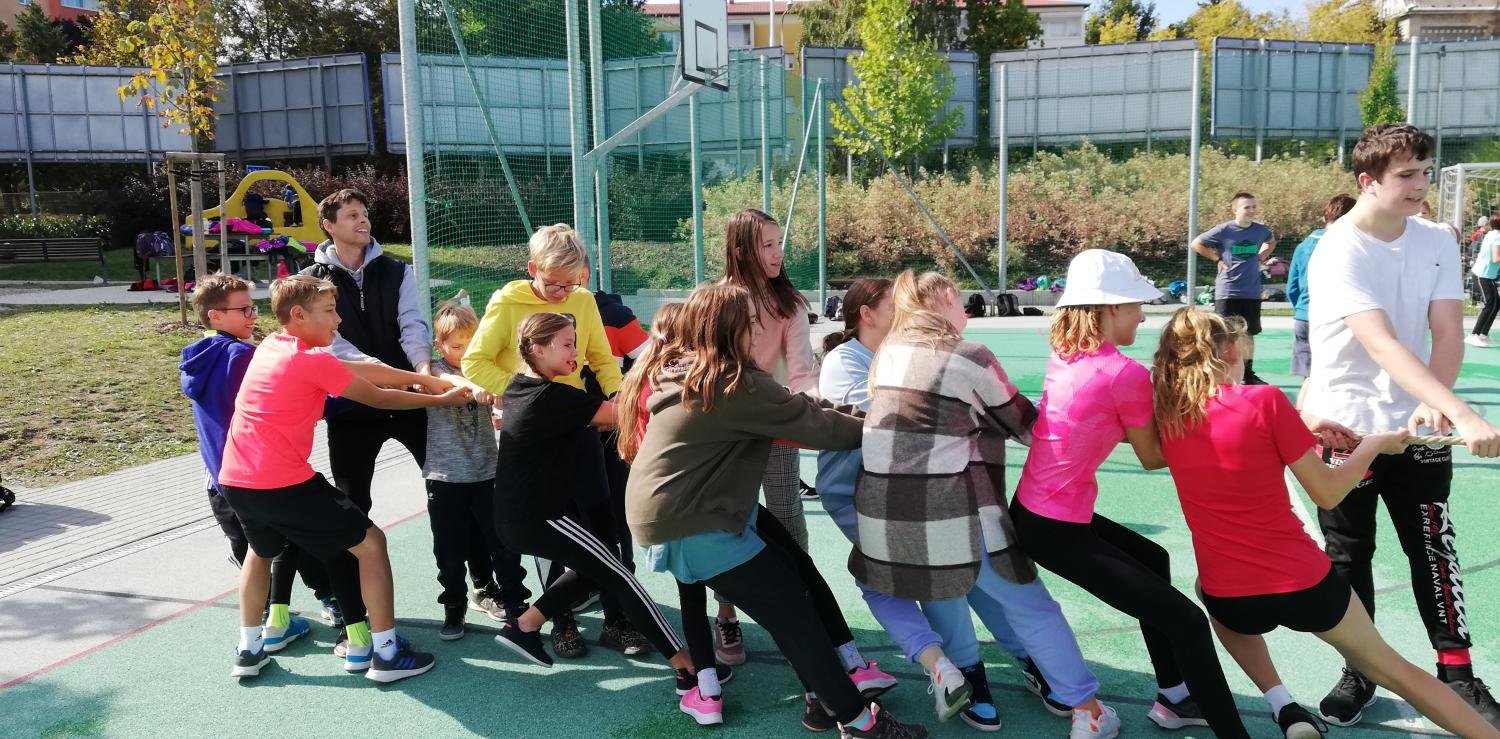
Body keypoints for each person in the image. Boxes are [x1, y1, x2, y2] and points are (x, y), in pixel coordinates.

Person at [1153, 307, 1500, 739]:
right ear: (1230, 350)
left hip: (1233, 600)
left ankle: (1282, 703)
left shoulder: (1168, 414)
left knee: (1206, 587)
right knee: (1396, 670)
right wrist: (1375, 445)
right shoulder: (1265, 401)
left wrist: (1301, 424)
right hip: (1304, 586)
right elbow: (1329, 492)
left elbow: (1206, 434)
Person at [620, 284, 923, 739]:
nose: (758, 331)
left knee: (796, 574)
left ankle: (824, 698)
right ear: (732, 329)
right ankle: (860, 722)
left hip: (688, 507)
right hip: (694, 519)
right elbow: (819, 426)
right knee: (793, 612)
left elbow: (799, 409)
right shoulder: (734, 384)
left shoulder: (696, 371)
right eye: (751, 323)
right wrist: (895, 423)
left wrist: (869, 416)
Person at [823, 276, 1098, 732]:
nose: (965, 309)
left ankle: (958, 671)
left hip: (885, 507)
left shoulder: (888, 355)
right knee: (1027, 602)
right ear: (945, 300)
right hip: (959, 509)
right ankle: (1085, 706)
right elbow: (1026, 425)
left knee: (916, 588)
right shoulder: (969, 356)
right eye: (959, 300)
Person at [1305, 123, 1500, 728]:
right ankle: (1360, 668)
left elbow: (1447, 331)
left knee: (1433, 546)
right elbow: (1382, 343)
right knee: (1348, 554)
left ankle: (1458, 675)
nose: (1421, 185)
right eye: (1407, 175)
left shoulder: (1437, 238)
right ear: (1368, 181)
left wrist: (1433, 405)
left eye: (1426, 172)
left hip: (1418, 428)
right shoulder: (1338, 247)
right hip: (1345, 429)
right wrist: (1462, 411)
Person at [1011, 250, 1250, 738]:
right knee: (1188, 622)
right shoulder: (1124, 374)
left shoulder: (1068, 353)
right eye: (1137, 304)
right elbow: (1153, 456)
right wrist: (1222, 426)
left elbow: (1099, 423)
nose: (1143, 315)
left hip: (1039, 513)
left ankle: (1176, 697)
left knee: (1154, 559)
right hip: (1055, 529)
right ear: (1110, 308)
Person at [218, 274, 470, 683]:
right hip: (284, 484)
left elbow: (358, 368)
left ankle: (248, 649)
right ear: (298, 315)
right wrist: (440, 399)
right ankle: (386, 653)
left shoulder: (272, 345)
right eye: (330, 311)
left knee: (260, 553)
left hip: (236, 480)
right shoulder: (310, 361)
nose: (339, 321)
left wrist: (428, 380)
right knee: (371, 544)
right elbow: (378, 396)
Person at [301, 189, 498, 631]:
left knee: (458, 489)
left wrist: (423, 370)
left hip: (411, 400)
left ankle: (483, 585)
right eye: (352, 215)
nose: (363, 220)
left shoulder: (396, 269)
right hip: (353, 407)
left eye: (365, 213)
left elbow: (413, 324)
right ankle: (348, 602)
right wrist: (394, 376)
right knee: (353, 505)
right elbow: (336, 348)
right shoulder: (311, 280)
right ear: (329, 226)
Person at [463, 224, 649, 657]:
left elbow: (602, 359)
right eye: (553, 284)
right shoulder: (507, 302)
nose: (563, 293)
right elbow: (475, 361)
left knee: (604, 525)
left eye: (572, 283)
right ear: (532, 269)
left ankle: (617, 620)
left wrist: (617, 396)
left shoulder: (583, 301)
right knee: (551, 530)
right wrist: (523, 397)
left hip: (579, 428)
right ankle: (562, 622)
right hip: (536, 441)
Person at [488, 312, 690, 674]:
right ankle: (685, 666)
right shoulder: (553, 398)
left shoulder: (519, 386)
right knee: (620, 574)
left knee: (595, 566)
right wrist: (657, 361)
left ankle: (526, 626)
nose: (576, 353)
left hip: (514, 516)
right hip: (538, 518)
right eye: (567, 345)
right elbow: (627, 412)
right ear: (538, 349)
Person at [181, 273, 320, 658]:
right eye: (243, 309)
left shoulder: (196, 358)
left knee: (254, 553)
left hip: (219, 481)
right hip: (256, 475)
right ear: (215, 315)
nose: (253, 315)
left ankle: (260, 632)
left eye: (253, 307)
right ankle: (325, 606)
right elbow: (281, 400)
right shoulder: (242, 357)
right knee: (296, 539)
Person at [714, 208, 818, 666]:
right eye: (767, 245)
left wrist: (810, 411)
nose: (778, 254)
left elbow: (802, 374)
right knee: (726, 518)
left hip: (775, 426)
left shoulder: (789, 304)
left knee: (787, 510)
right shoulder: (718, 302)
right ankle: (726, 615)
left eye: (780, 244)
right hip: (724, 433)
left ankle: (804, 601)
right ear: (741, 251)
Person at [423, 301, 532, 640]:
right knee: (449, 550)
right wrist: (474, 385)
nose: (465, 352)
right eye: (457, 346)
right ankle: (453, 605)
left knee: (503, 543)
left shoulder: (487, 368)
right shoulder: (432, 371)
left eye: (472, 344)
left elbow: (506, 396)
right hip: (444, 478)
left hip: (487, 472)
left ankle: (516, 603)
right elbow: (444, 380)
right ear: (440, 345)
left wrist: (500, 404)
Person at [1190, 191, 1276, 385]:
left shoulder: (1261, 230)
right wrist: (1217, 259)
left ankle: (1247, 374)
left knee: (1249, 334)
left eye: (1254, 206)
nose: (1251, 210)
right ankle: (1216, 374)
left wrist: (1262, 256)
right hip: (1227, 291)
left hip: (1251, 292)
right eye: (1247, 207)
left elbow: (1271, 242)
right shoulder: (1224, 230)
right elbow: (1196, 244)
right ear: (1235, 209)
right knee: (1221, 334)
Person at [1285, 194, 1357, 407]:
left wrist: (1302, 309)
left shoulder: (1303, 246)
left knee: (1309, 375)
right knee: (1322, 378)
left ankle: (1302, 417)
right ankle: (1303, 416)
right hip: (1333, 318)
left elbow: (1292, 287)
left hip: (1303, 316)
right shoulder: (1347, 243)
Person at [1466, 213, 1500, 348]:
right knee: (1490, 304)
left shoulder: (1491, 234)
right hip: (1482, 275)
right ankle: (1473, 335)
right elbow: (1496, 258)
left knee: (1496, 304)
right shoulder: (1497, 237)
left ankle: (1483, 335)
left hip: (1487, 275)